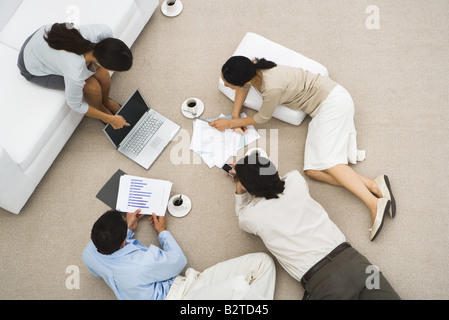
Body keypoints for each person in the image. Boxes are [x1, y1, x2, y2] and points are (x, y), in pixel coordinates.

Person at [213, 56, 396, 240]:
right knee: (313, 171)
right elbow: (243, 86)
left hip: (332, 103)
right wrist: (234, 116)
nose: (225, 86)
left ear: (245, 79)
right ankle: (373, 184)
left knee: (330, 163)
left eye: (228, 85)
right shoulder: (250, 69)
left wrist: (230, 124)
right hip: (319, 110)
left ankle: (373, 203)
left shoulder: (272, 87)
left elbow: (262, 117)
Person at [226, 154, 400, 300]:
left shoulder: (252, 216)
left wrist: (241, 186)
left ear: (250, 189)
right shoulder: (295, 180)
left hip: (325, 284)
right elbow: (276, 179)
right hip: (358, 265)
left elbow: (241, 212)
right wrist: (250, 172)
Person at [82, 209, 276, 300]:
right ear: (123, 241)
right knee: (239, 289)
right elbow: (177, 261)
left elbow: (104, 264)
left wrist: (128, 230)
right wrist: (162, 232)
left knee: (263, 262)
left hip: (188, 284)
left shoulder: (89, 253)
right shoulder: (143, 262)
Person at [17, 22, 132, 129]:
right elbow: (75, 104)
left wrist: (105, 100)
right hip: (31, 63)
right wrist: (110, 118)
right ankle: (101, 109)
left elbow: (100, 68)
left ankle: (106, 101)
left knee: (102, 74)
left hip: (43, 37)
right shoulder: (74, 70)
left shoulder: (104, 33)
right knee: (92, 87)